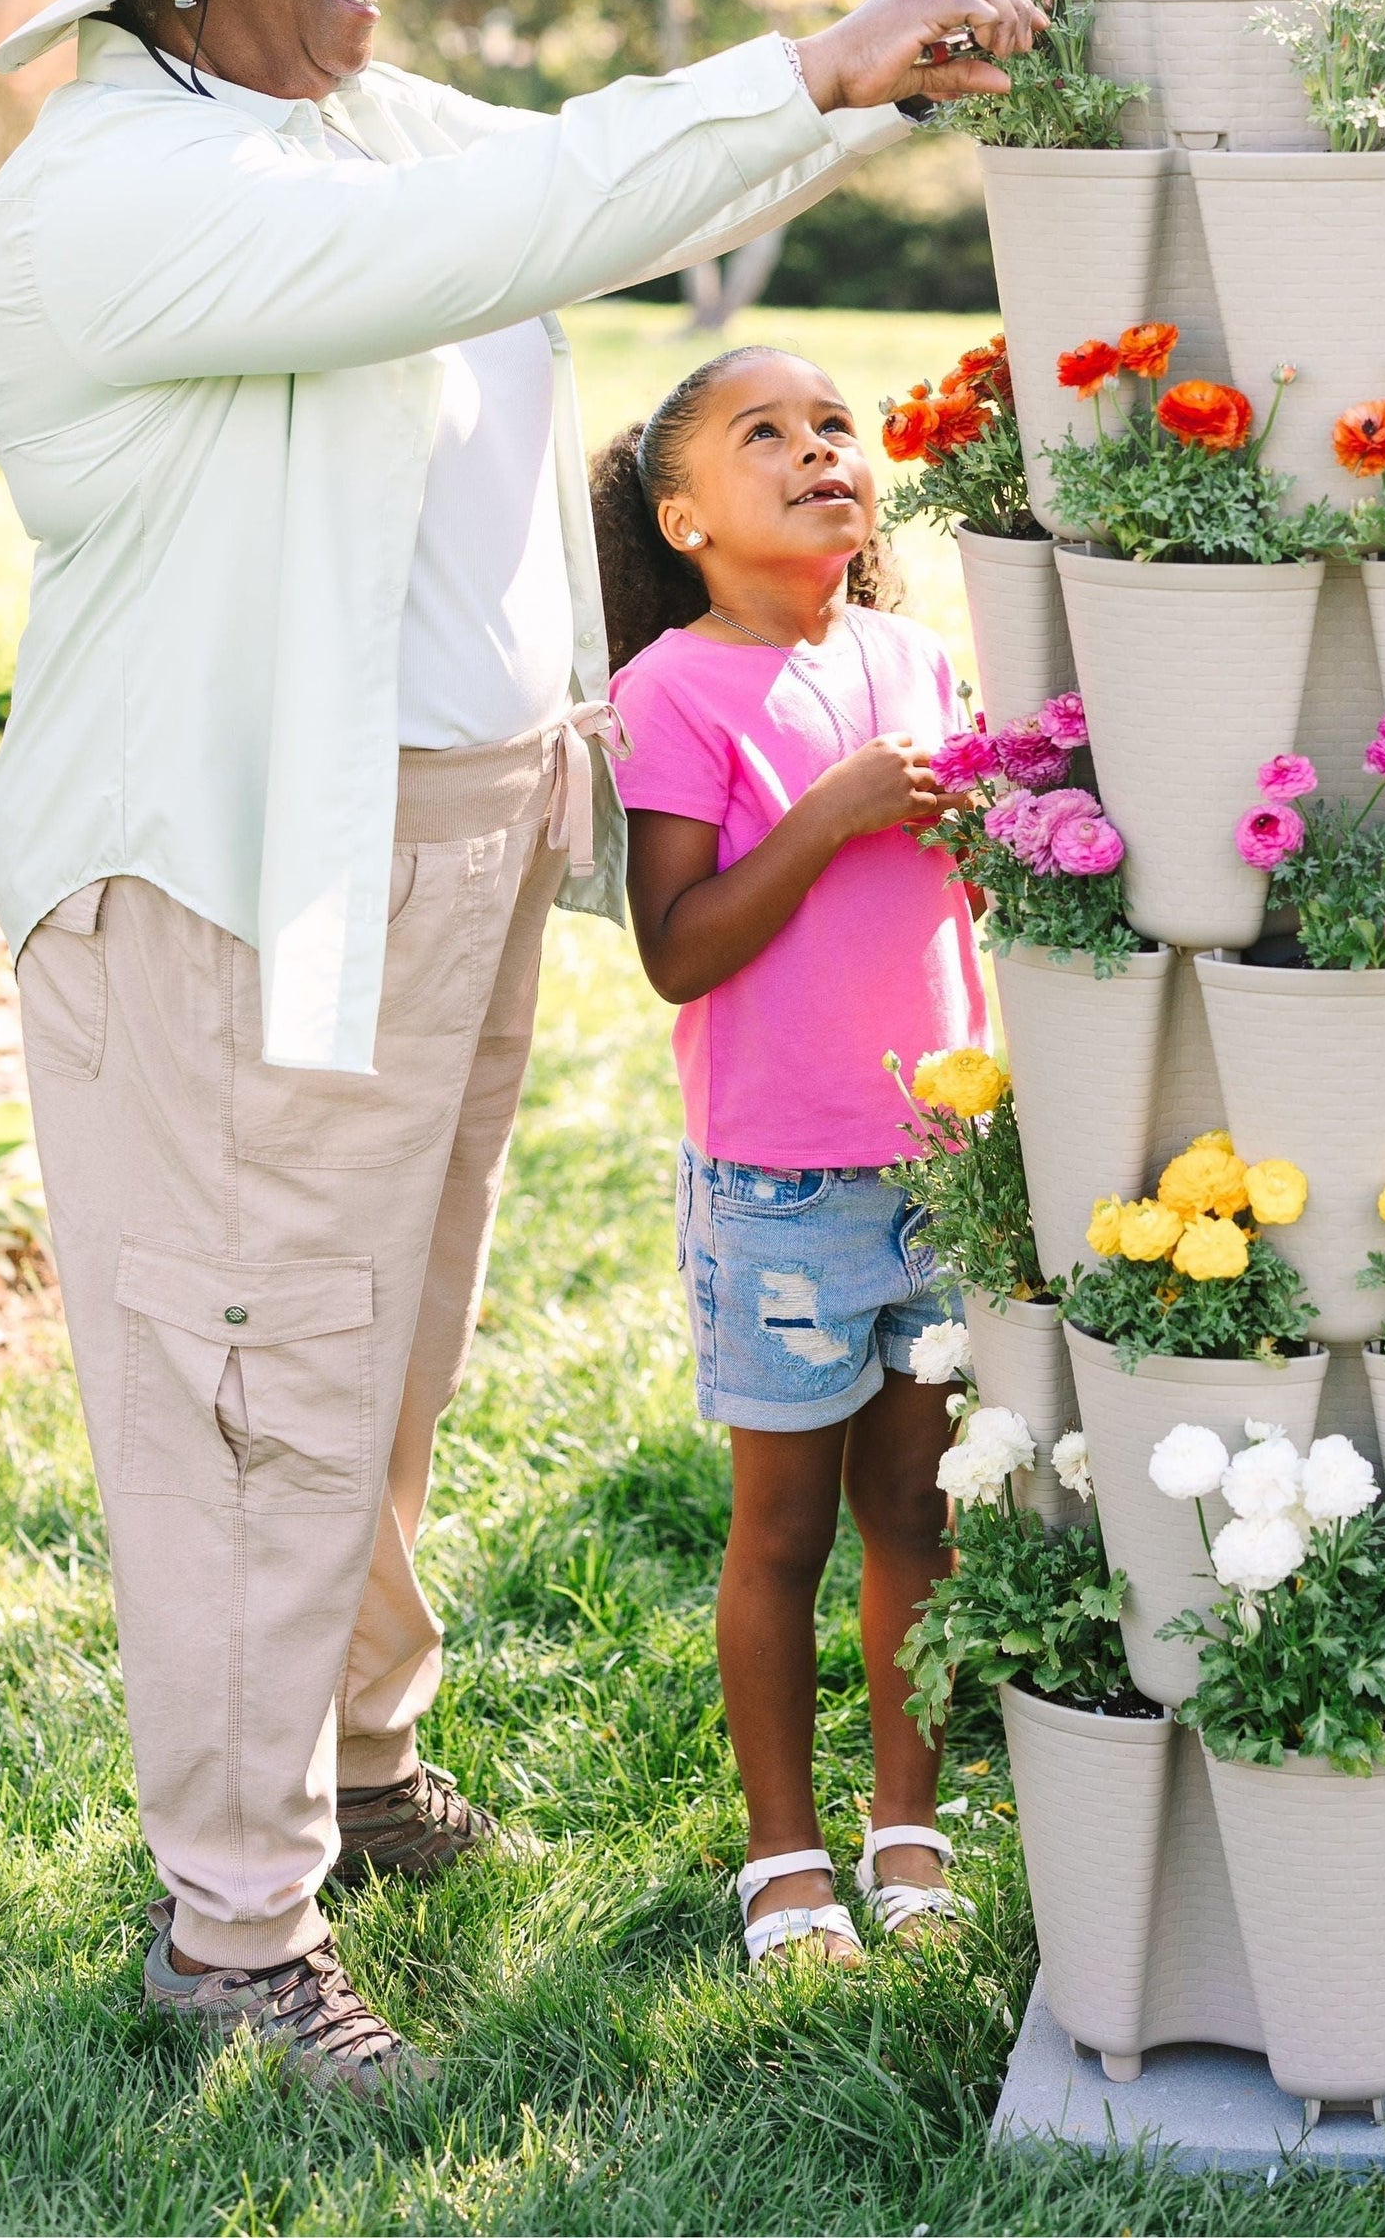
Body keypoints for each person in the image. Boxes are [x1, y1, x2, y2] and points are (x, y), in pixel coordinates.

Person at [0, 0, 1040, 2089]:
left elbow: (593, 184)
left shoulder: (350, 121)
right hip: (237, 875)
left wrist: (876, 88)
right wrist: (816, 57)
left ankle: (354, 1762)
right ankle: (232, 1926)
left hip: (437, 841)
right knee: (253, 1379)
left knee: (379, 1346)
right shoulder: (129, 185)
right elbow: (499, 229)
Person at [595, 347, 984, 1967]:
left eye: (835, 425)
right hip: (781, 1186)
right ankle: (784, 1852)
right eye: (765, 435)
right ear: (684, 518)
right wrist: (826, 813)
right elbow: (676, 949)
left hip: (944, 1164)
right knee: (783, 1533)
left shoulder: (917, 660)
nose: (820, 449)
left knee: (919, 1512)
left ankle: (907, 1822)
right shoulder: (671, 692)